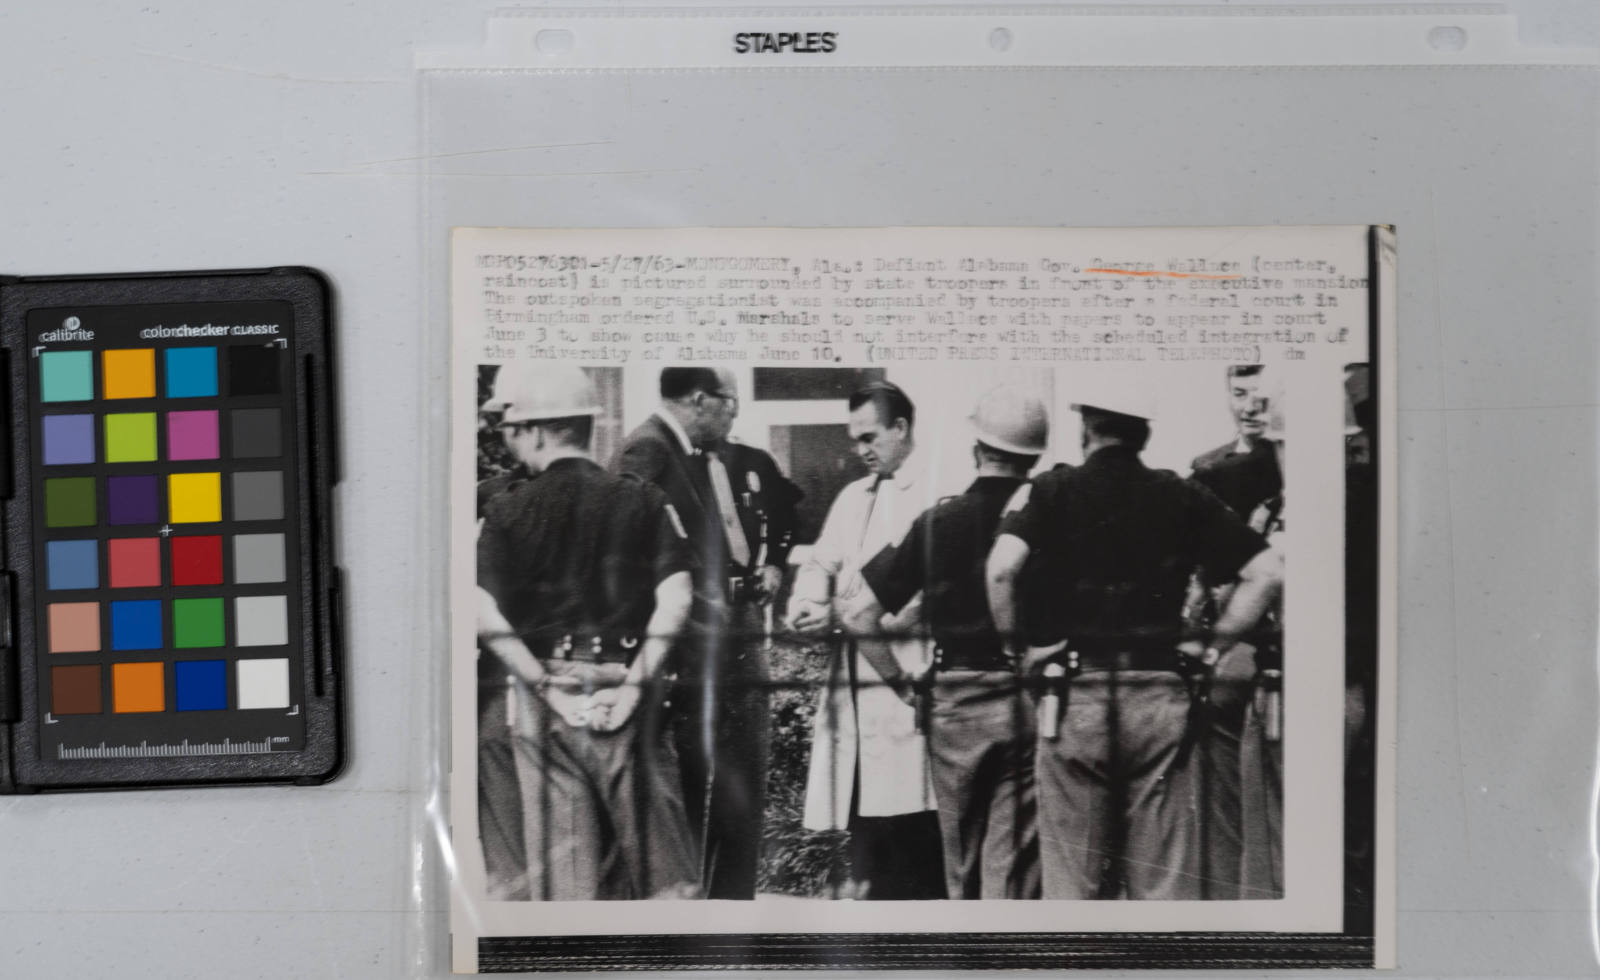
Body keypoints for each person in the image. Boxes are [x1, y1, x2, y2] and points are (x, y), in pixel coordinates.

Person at [985, 382, 1282, 900]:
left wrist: (1021, 653)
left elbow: (1001, 571)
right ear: (1144, 433)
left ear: (1086, 428)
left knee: (1073, 884)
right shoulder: (1182, 492)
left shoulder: (1052, 491)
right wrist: (1210, 649)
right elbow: (1265, 572)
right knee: (1164, 881)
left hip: (1075, 696)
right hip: (1159, 696)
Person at [476, 362, 699, 900]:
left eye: (512, 430)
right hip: (630, 693)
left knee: (567, 889)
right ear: (588, 425)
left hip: (545, 705)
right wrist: (632, 687)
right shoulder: (644, 499)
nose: (510, 445)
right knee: (669, 886)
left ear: (534, 429)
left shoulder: (506, 510)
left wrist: (544, 685)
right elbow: (677, 599)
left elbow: (480, 608)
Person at [838, 385, 1048, 899]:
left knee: (961, 857)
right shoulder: (1046, 518)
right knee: (1015, 858)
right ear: (1034, 457)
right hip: (1026, 696)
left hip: (953, 700)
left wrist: (905, 687)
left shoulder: (937, 521)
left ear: (977, 449)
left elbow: (859, 613)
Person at [613, 367, 800, 900]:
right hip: (694, 649)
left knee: (740, 773)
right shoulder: (646, 454)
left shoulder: (687, 453)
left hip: (725, 637)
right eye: (730, 402)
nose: (735, 413)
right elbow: (635, 563)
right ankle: (698, 906)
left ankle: (727, 901)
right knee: (697, 779)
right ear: (700, 400)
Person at [786, 380, 945, 900]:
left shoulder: (936, 492)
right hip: (853, 686)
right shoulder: (853, 496)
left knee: (912, 823)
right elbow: (820, 560)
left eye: (870, 436)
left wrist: (843, 615)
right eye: (855, 439)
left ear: (901, 428)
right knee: (862, 825)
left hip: (904, 675)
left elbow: (917, 599)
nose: (861, 450)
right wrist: (808, 603)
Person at [1190, 364, 1281, 519]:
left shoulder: (1291, 465)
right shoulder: (1205, 467)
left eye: (1261, 397)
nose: (1250, 408)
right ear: (1228, 398)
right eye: (1239, 394)